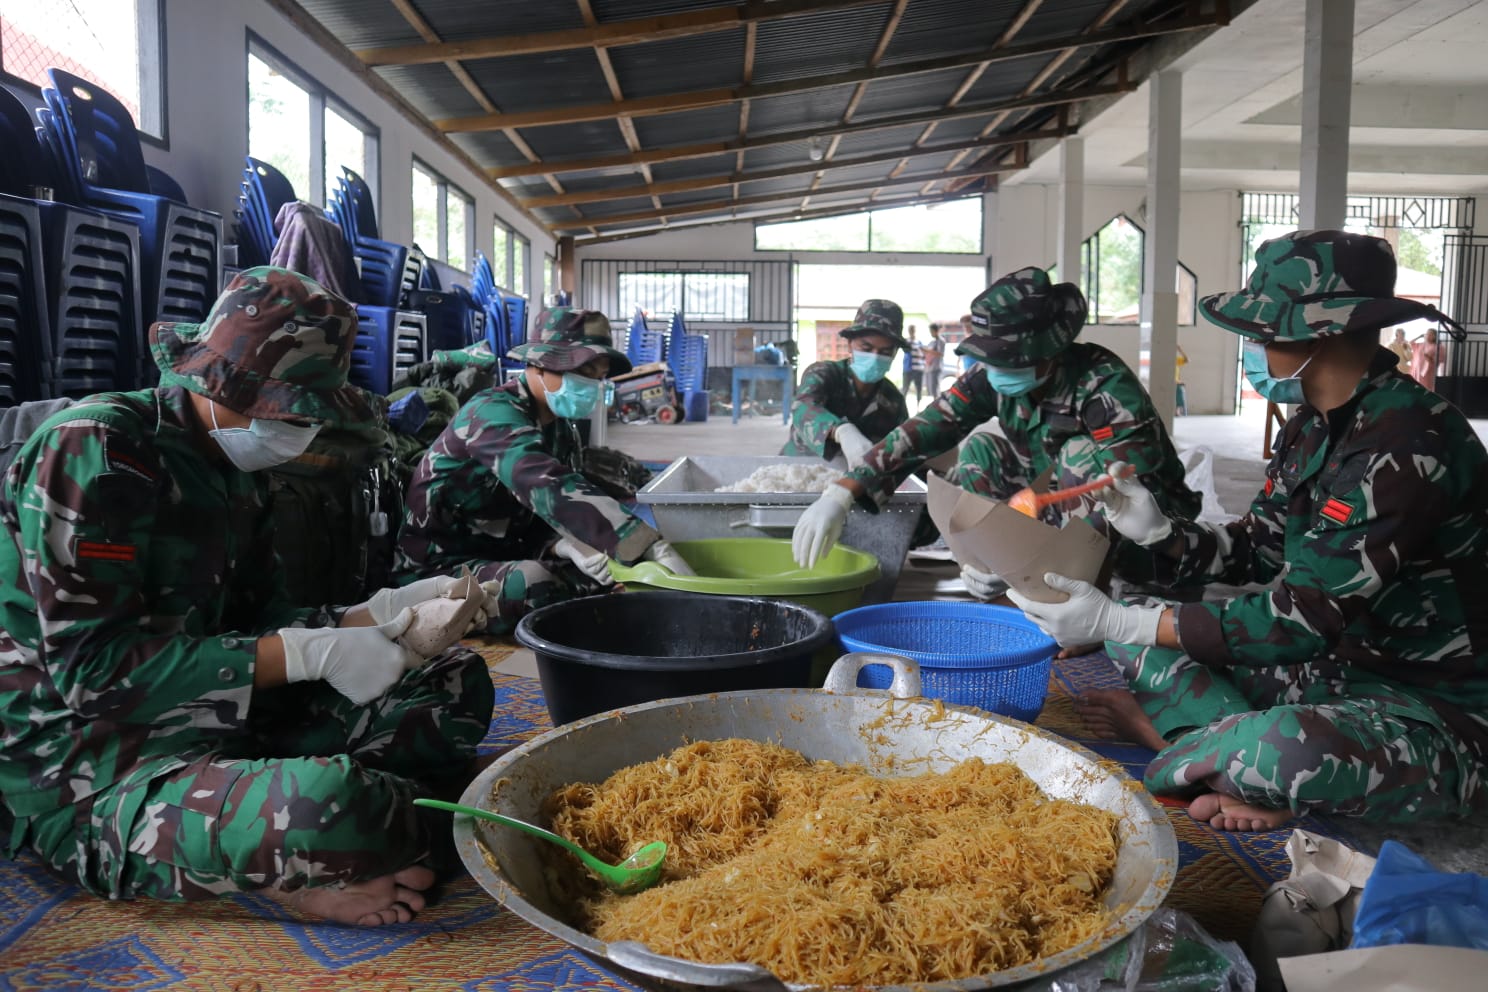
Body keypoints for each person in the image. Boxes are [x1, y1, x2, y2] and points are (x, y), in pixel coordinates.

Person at [0, 267, 496, 926]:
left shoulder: (234, 465)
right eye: (288, 412)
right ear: (222, 385)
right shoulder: (96, 450)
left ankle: (334, 836)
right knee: (327, 805)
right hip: (91, 762)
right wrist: (309, 653)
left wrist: (376, 615)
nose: (300, 431)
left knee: (452, 682)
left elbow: (263, 617)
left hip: (220, 716)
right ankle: (301, 863)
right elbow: (95, 675)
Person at [1009, 230, 1486, 832]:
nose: (1254, 348)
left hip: (1429, 707)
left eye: (1263, 334)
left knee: (1285, 748)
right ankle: (1221, 757)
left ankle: (1176, 739)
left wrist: (1118, 621)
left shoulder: (1409, 441)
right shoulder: (1313, 426)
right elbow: (1259, 550)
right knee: (1143, 630)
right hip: (1331, 673)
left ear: (1320, 333)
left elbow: (1302, 617)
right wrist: (1162, 534)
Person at [791, 267, 1200, 604]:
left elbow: (1126, 492)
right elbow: (925, 430)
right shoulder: (993, 376)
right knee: (980, 449)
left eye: (1006, 359)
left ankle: (1067, 594)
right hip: (1052, 506)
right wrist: (842, 492)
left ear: (1050, 352)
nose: (993, 369)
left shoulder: (1105, 386)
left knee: (1079, 454)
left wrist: (1040, 566)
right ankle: (991, 563)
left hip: (1145, 538)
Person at [395, 307, 694, 631]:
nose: (593, 386)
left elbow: (544, 516)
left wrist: (564, 545)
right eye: (583, 372)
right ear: (539, 365)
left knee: (605, 575)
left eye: (600, 377)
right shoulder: (491, 414)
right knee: (537, 586)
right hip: (439, 568)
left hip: (503, 552)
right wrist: (643, 542)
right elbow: (545, 483)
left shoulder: (561, 430)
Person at [780, 299, 911, 469]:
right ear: (850, 344)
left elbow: (903, 449)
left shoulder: (893, 400)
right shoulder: (824, 374)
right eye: (866, 348)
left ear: (895, 354)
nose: (874, 357)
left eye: (885, 352)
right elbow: (803, 408)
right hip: (797, 470)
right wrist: (841, 431)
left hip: (853, 479)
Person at [1410, 326, 1442, 391]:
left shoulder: (1437, 347)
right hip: (1417, 370)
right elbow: (1411, 342)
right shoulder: (1421, 344)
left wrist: (1429, 358)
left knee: (1426, 387)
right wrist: (1419, 336)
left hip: (1427, 371)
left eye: (1430, 334)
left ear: (1434, 336)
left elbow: (1439, 360)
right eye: (1427, 334)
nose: (1428, 335)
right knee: (1416, 386)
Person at [922, 322, 945, 396]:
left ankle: (937, 401)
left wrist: (928, 351)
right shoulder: (932, 342)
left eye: (932, 331)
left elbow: (940, 354)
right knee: (931, 389)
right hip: (930, 368)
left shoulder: (941, 341)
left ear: (936, 331)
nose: (931, 333)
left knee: (935, 389)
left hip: (936, 368)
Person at [902, 324, 924, 403]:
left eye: (913, 330)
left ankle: (918, 405)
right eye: (911, 330)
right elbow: (905, 350)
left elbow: (923, 354)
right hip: (908, 368)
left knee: (919, 388)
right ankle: (902, 404)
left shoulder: (919, 342)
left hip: (918, 369)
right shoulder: (906, 341)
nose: (912, 332)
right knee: (905, 388)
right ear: (909, 331)